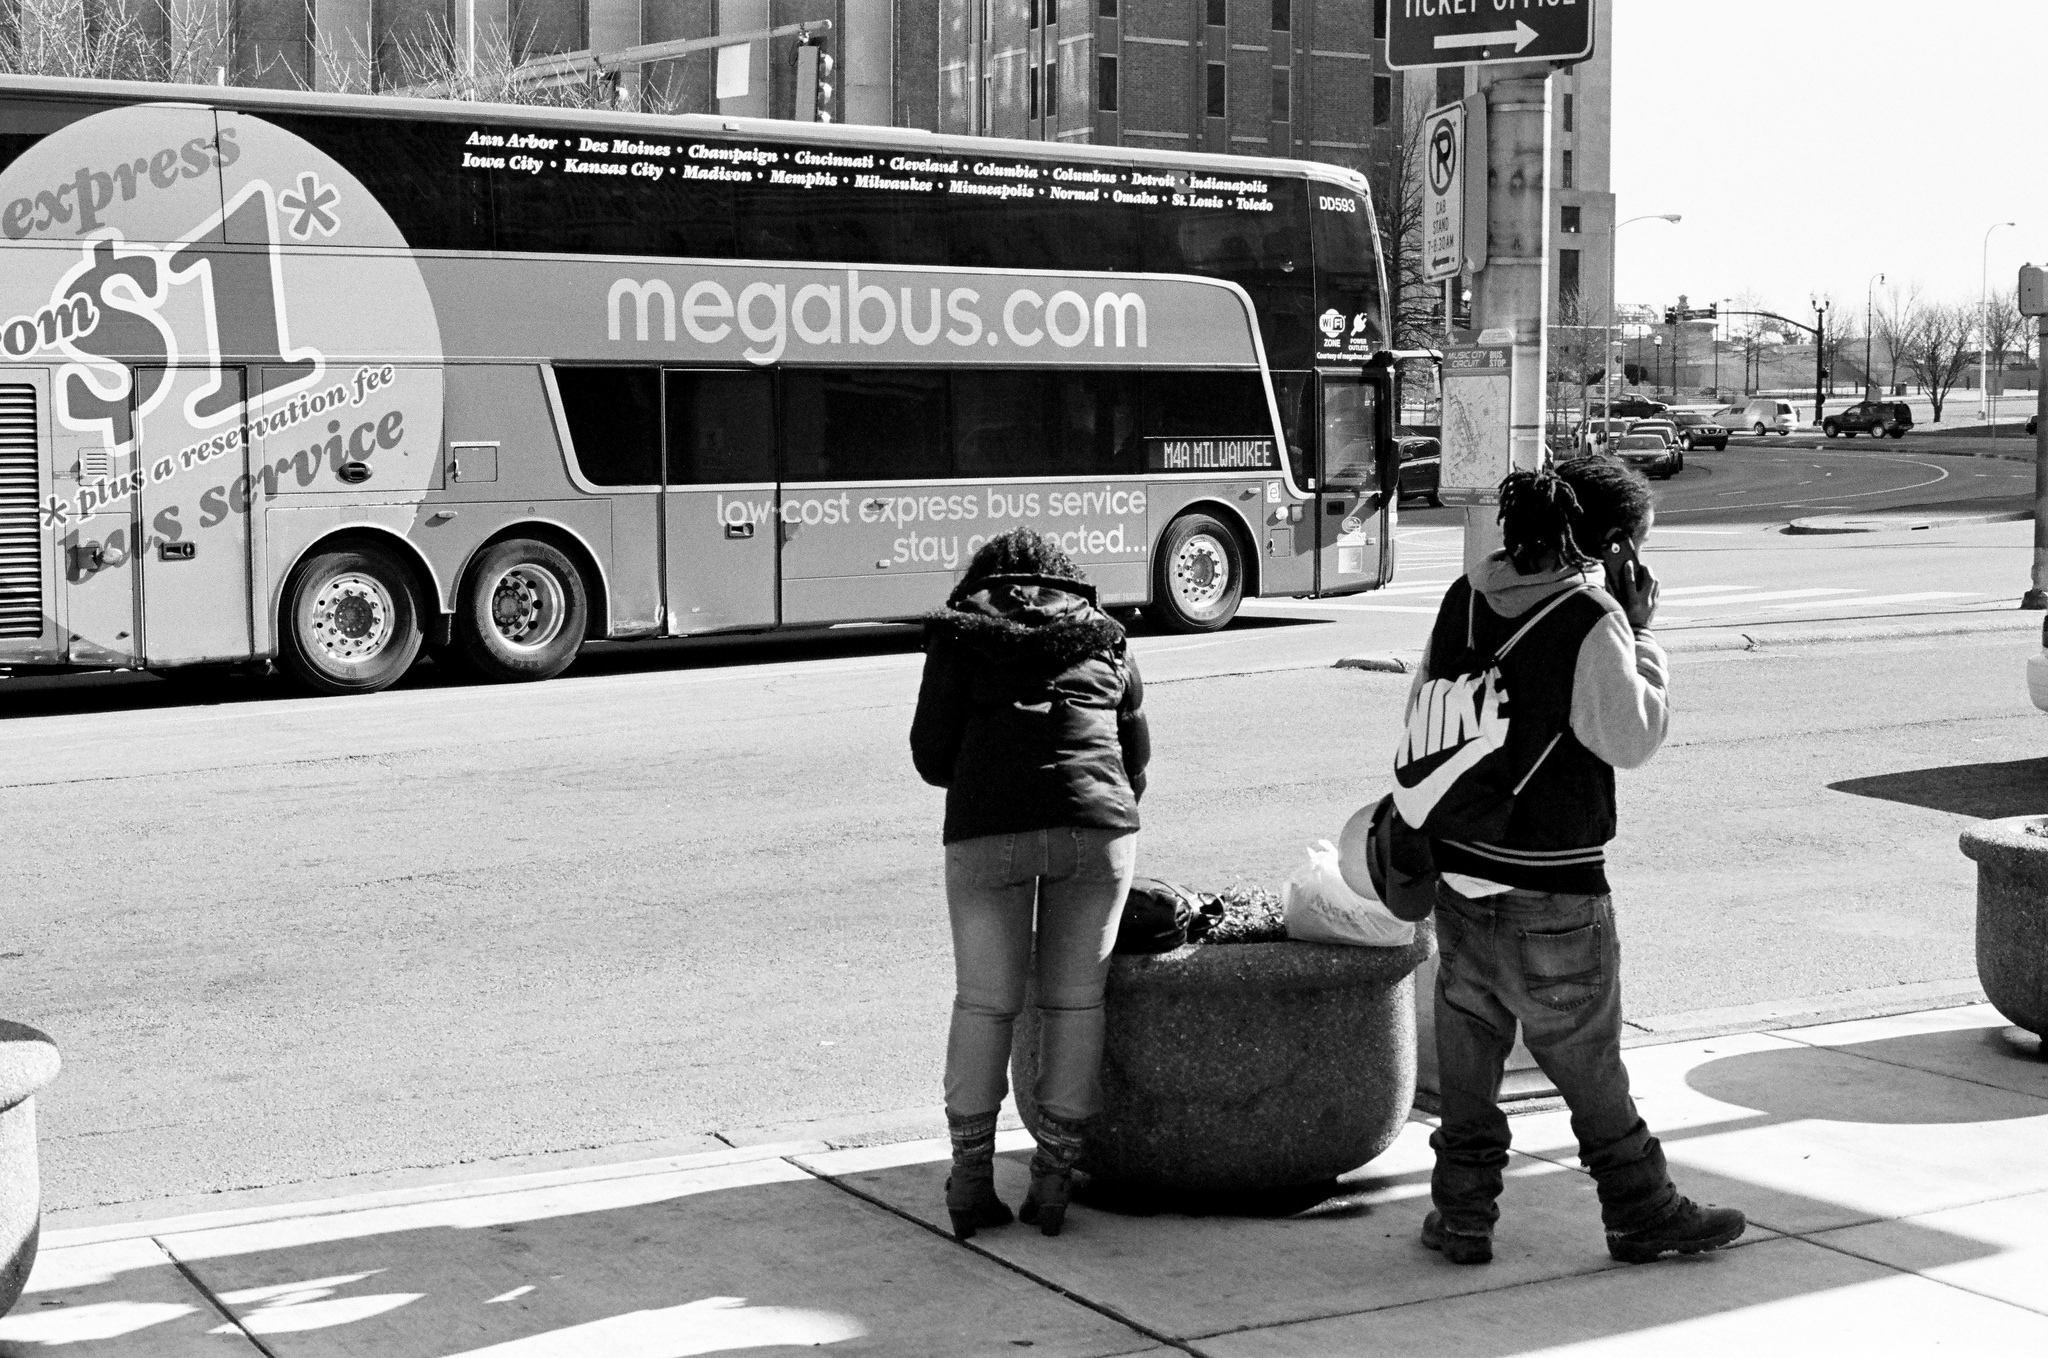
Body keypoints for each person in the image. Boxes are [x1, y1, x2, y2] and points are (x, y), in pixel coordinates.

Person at [1410, 460, 1746, 1266]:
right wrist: (1645, 633)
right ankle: (1641, 1207)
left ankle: (1461, 1214)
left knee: (1468, 1052)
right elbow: (1631, 739)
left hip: (1457, 871)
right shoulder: (1592, 616)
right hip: (1551, 885)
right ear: (1621, 547)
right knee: (1588, 1060)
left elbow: (1425, 708)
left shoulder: (1465, 597)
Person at [910, 529, 1150, 1240]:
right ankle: (1053, 1182)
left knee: (985, 1005)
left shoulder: (960, 636)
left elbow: (931, 756)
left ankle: (971, 1183)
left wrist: (995, 776)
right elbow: (1135, 758)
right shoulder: (1105, 637)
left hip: (987, 829)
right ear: (1067, 582)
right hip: (1098, 827)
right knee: (1076, 1003)